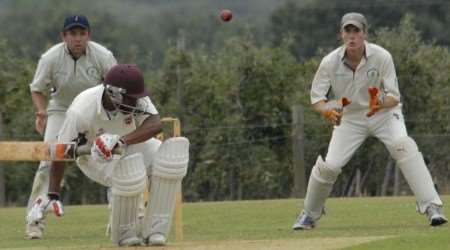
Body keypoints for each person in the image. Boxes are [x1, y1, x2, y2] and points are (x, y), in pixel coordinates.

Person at [292, 12, 447, 230]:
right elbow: (317, 99)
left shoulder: (382, 56)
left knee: (404, 147)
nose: (352, 36)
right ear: (341, 34)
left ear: (365, 33)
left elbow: (394, 97)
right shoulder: (329, 62)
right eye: (348, 31)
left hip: (383, 115)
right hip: (350, 119)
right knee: (329, 166)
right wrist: (328, 111)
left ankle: (432, 207)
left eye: (357, 31)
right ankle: (308, 215)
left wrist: (379, 103)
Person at [27, 64, 190, 247]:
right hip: (93, 156)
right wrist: (53, 193)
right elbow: (62, 150)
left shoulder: (136, 97)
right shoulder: (81, 110)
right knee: (128, 171)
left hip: (126, 144)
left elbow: (155, 124)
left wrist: (121, 141)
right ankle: (124, 233)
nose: (136, 102)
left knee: (168, 158)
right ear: (114, 93)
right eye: (131, 99)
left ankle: (155, 230)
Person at [26, 15, 117, 239]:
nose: (77, 39)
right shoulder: (50, 58)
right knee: (47, 163)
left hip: (92, 111)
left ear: (89, 35)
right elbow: (37, 88)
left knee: (110, 157)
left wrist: (112, 118)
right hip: (60, 111)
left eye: (82, 33)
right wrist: (41, 111)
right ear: (63, 36)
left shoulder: (103, 56)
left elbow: (117, 87)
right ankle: (34, 222)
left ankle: (120, 220)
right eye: (72, 34)